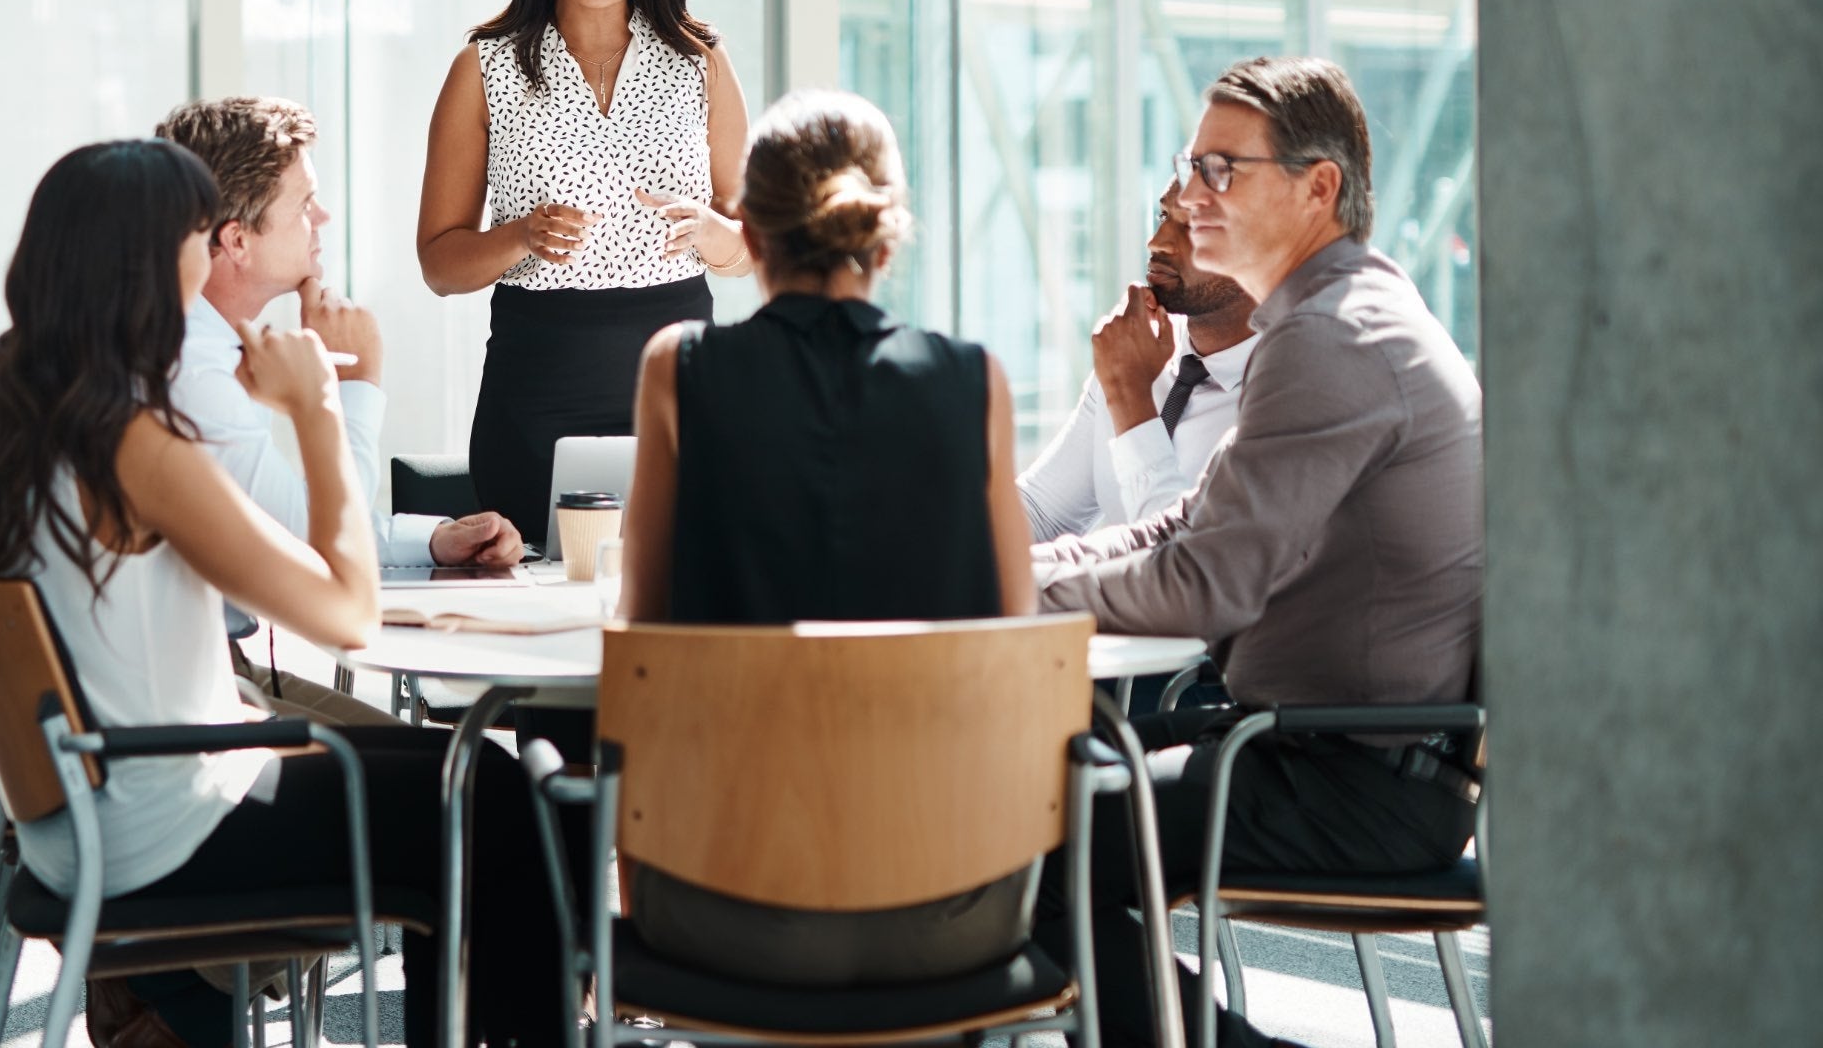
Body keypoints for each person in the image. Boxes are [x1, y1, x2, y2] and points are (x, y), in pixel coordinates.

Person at [0, 139, 565, 1048]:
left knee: (472, 785)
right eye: (199, 238)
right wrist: (318, 407)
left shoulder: (10, 418)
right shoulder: (135, 440)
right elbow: (347, 615)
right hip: (169, 827)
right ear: (159, 261)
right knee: (493, 803)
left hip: (72, 817)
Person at [1029, 57, 1485, 1048]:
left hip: (1349, 781)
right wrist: (1008, 576)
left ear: (1319, 186)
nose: (1191, 196)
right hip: (1321, 754)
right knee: (1015, 788)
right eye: (1195, 167)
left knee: (1013, 838)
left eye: (1222, 170)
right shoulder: (1327, 319)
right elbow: (1182, 524)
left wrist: (1013, 595)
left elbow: (1205, 584)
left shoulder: (1333, 337)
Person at [615, 89, 1040, 986]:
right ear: (885, 241)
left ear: (752, 236)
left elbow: (643, 648)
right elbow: (1015, 642)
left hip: (719, 913)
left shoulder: (677, 368)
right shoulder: (977, 383)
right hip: (955, 916)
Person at [418, 0, 754, 548]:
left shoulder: (702, 62)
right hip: (537, 385)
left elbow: (755, 242)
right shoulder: (484, 69)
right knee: (543, 584)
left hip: (680, 380)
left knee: (679, 590)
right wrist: (518, 237)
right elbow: (439, 263)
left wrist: (710, 232)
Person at [156, 97, 524, 725]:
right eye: (304, 204)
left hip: (196, 691)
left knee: (469, 770)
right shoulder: (193, 371)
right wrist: (352, 387)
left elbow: (289, 519)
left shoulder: (201, 348)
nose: (322, 216)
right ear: (237, 240)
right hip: (195, 721)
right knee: (478, 779)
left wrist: (430, 539)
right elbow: (323, 554)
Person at [1020, 181, 1257, 541]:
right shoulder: (1139, 345)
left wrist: (1129, 395)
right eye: (1164, 215)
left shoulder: (1286, 391)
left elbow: (1189, 573)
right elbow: (1043, 513)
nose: (1157, 241)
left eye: (1193, 224)